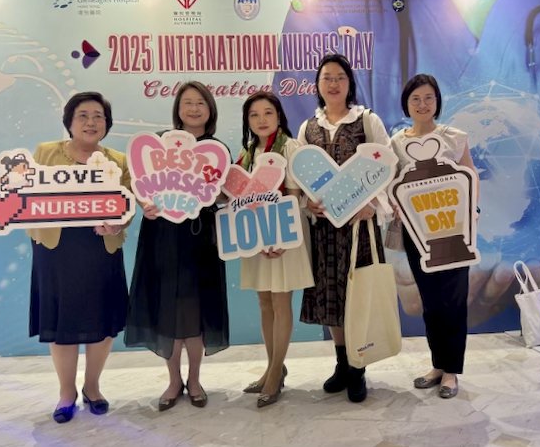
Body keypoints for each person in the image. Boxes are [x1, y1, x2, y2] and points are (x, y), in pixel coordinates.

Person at [0, 91, 130, 423]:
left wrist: (116, 224)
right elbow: (19, 189)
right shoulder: (45, 152)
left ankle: (92, 388)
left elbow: (127, 205)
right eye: (83, 115)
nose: (91, 122)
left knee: (102, 323)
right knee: (60, 323)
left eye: (98, 116)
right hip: (55, 252)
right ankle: (66, 393)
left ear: (107, 124)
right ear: (69, 121)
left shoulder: (118, 160)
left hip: (101, 251)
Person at [125, 81, 229, 411]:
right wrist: (145, 204)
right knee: (167, 309)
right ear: (178, 109)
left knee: (195, 312)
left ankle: (194, 380)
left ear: (210, 109)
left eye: (200, 102)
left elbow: (223, 195)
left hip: (201, 240)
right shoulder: (160, 144)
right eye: (188, 102)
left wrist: (223, 195)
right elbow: (139, 184)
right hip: (163, 238)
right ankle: (173, 381)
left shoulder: (217, 150)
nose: (194, 108)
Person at [298, 54, 391, 403]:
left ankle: (358, 367)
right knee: (332, 298)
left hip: (359, 228)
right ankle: (341, 364)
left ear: (350, 82)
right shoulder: (308, 128)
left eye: (340, 77)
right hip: (325, 230)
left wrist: (373, 205)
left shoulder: (367, 120)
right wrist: (308, 204)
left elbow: (388, 167)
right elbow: (301, 176)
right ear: (318, 84)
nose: (333, 83)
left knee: (358, 296)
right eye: (327, 77)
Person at [390, 73, 479, 399]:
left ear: (437, 101)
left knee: (453, 300)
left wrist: (471, 212)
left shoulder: (454, 138)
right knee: (430, 302)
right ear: (407, 104)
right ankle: (438, 365)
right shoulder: (396, 143)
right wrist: (395, 204)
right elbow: (392, 184)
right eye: (415, 99)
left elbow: (470, 175)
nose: (422, 104)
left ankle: (452, 371)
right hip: (418, 235)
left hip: (454, 230)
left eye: (428, 97)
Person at [235, 91, 314, 408]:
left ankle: (275, 375)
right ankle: (273, 368)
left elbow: (294, 196)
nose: (261, 120)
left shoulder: (290, 147)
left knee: (281, 302)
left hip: (284, 237)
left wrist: (279, 237)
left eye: (268, 112)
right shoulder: (247, 153)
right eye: (254, 115)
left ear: (279, 116)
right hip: (257, 239)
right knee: (264, 301)